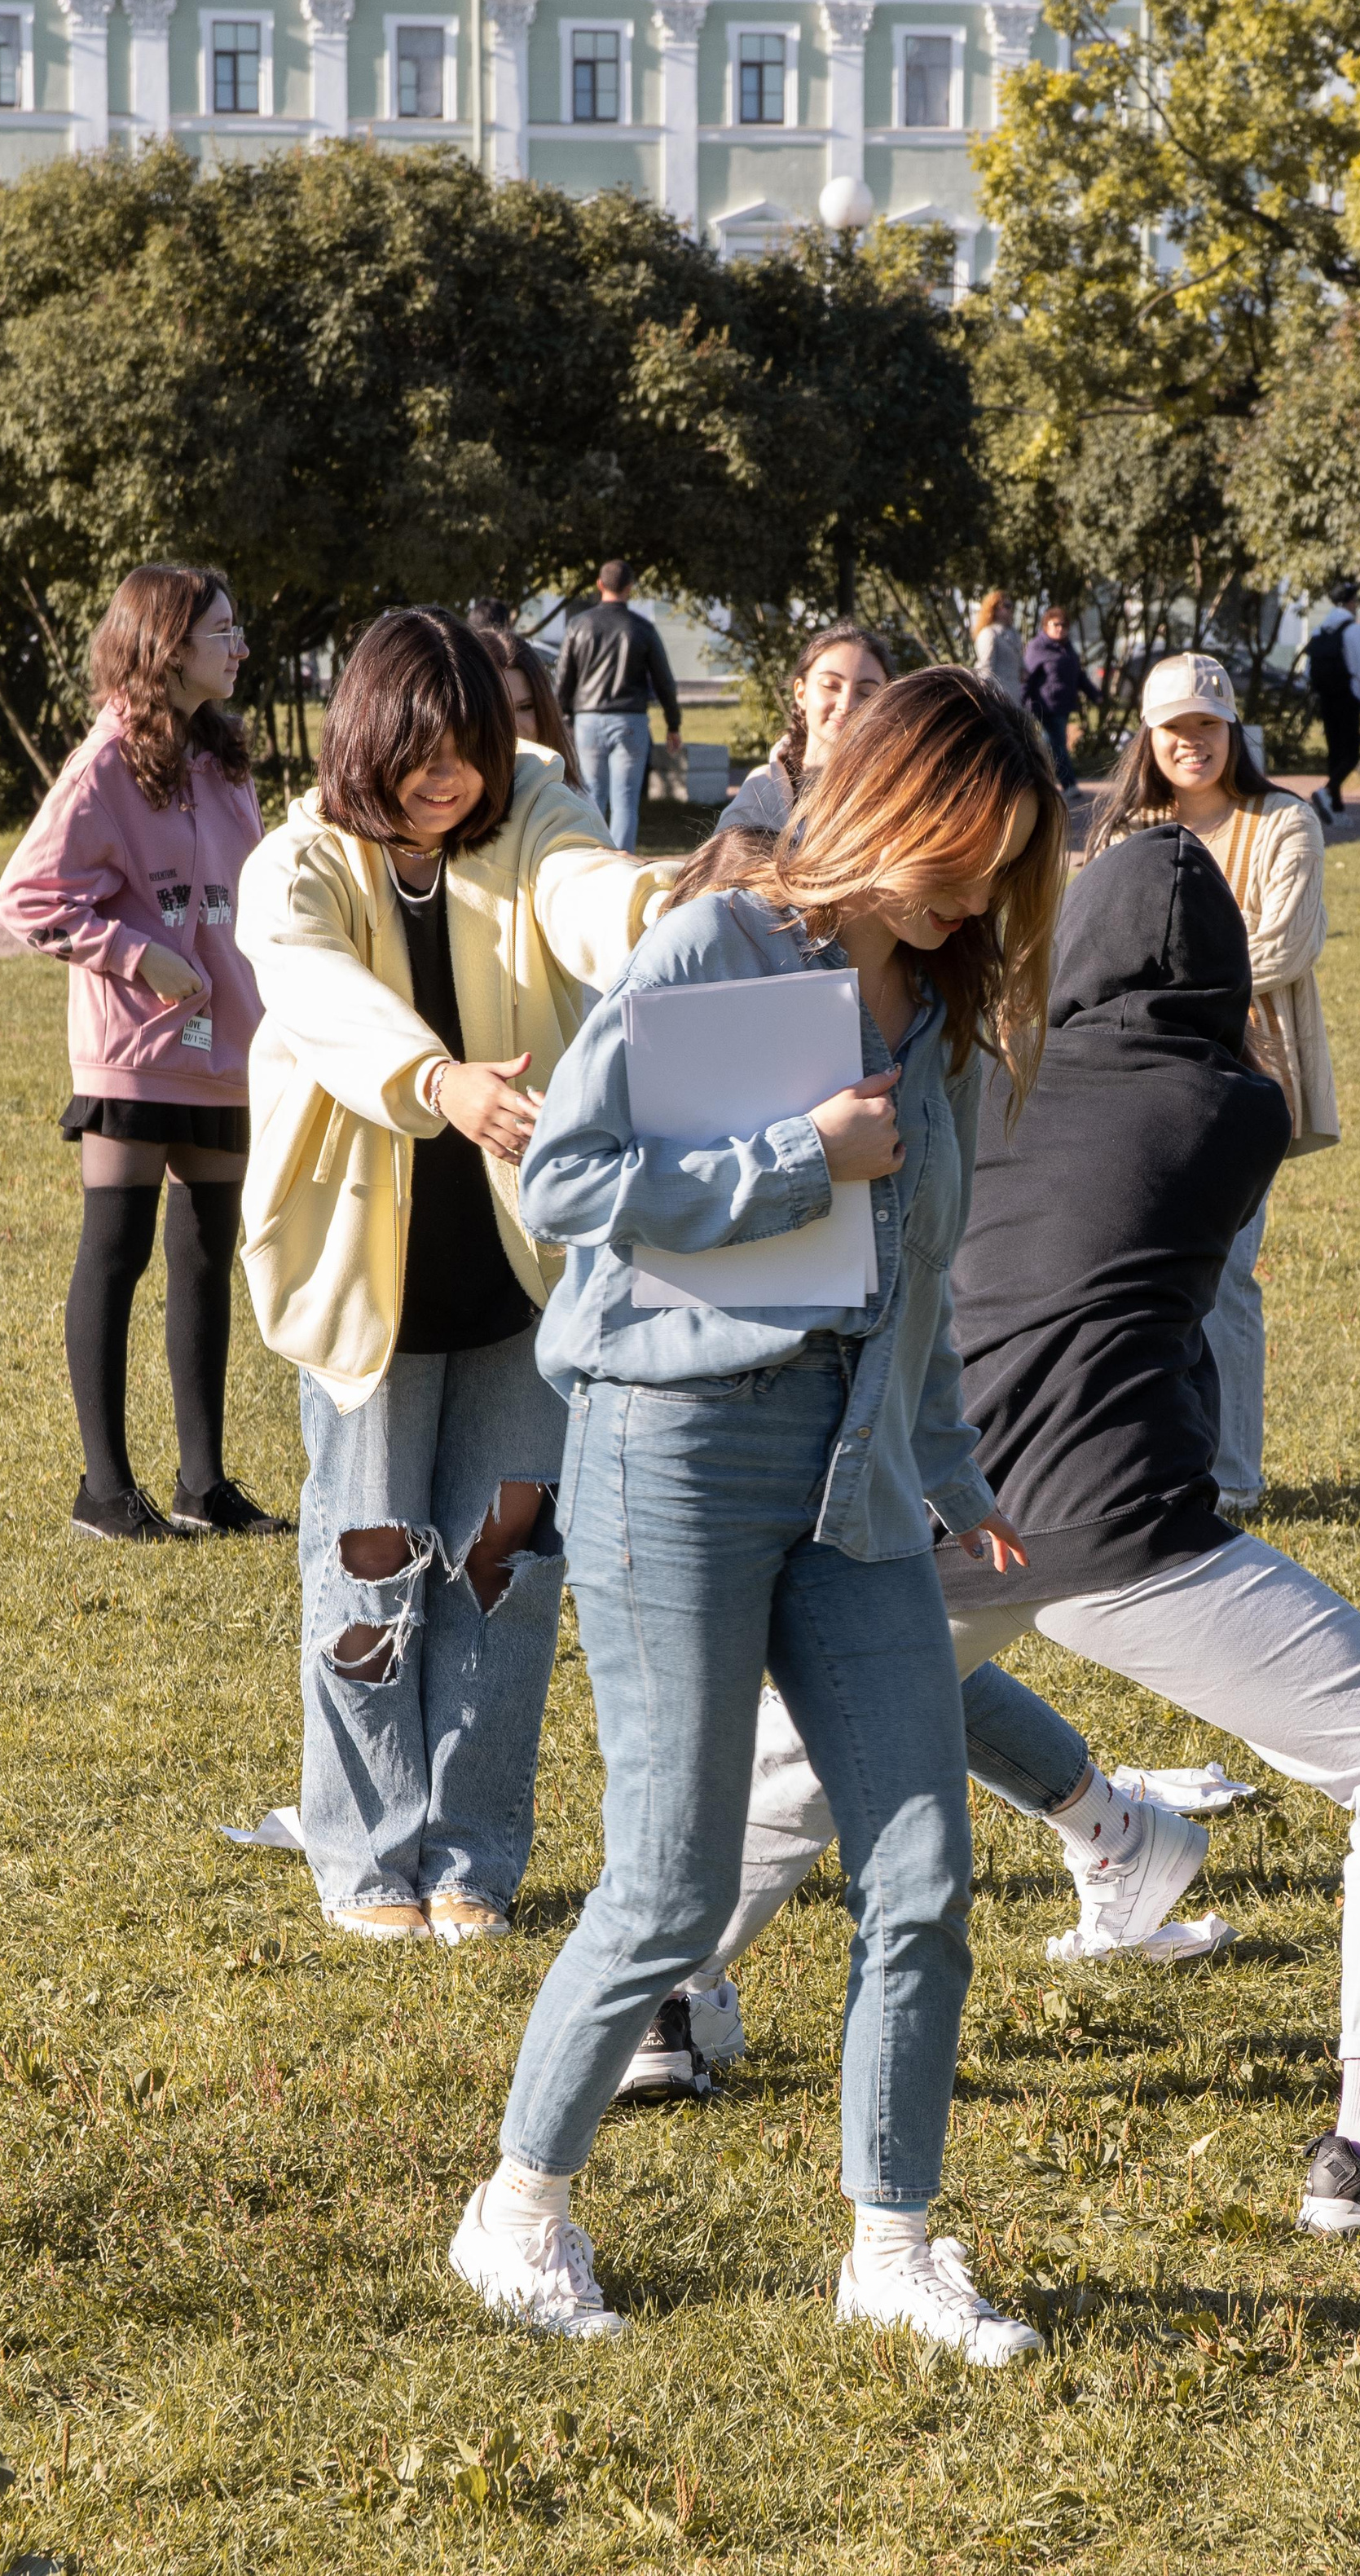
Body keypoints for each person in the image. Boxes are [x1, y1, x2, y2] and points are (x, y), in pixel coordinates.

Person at [667, 828, 1360, 2245]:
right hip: (1109, 1518)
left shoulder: (983, 1068)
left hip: (934, 1490)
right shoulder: (1238, 1104)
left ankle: (668, 1995)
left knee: (807, 1759)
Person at [448, 667, 1067, 2361]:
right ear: (877, 801)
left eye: (1003, 860)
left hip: (855, 1477)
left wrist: (948, 1466)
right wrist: (796, 1156)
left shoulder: (933, 1007)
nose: (971, 888)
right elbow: (570, 1182)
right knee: (664, 1886)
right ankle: (515, 2212)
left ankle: (893, 2244)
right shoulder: (711, 948)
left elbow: (921, 1267)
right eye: (960, 845)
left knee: (926, 1874)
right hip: (675, 1452)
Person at [235, 608, 672, 1947]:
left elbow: (591, 890)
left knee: (503, 1563)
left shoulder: (534, 805)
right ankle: (366, 1853)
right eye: (422, 752)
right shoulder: (297, 857)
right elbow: (306, 980)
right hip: (364, 1283)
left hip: (519, 1282)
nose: (450, 778)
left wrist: (685, 901)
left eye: (470, 750)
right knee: (370, 1562)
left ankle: (471, 1853)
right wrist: (438, 1079)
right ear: (366, 736)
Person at [0, 564, 284, 1543]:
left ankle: (203, 1485)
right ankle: (105, 1491)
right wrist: (137, 954)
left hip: (227, 1044)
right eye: (223, 630)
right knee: (114, 1254)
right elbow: (27, 898)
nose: (239, 645)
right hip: (134, 1049)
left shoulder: (224, 752)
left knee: (206, 1258)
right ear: (167, 647)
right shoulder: (105, 761)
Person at [1089, 652, 1337, 1513]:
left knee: (1225, 1273)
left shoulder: (1283, 823)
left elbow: (1287, 944)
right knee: (1148, 1278)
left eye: (1206, 724)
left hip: (1244, 1083)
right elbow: (1091, 948)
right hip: (1138, 1083)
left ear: (1232, 730)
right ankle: (1159, 1460)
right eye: (1173, 727)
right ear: (1147, 737)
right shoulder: (1123, 834)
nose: (1190, 741)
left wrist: (1165, 978)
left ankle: (1232, 1474)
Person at [552, 560, 683, 852]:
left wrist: (561, 718)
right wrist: (673, 724)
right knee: (625, 800)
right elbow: (664, 682)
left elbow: (563, 680)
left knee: (591, 795)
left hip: (587, 720)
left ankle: (589, 856)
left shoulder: (578, 625)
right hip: (630, 720)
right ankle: (622, 862)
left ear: (600, 585)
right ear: (630, 588)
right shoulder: (643, 629)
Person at [715, 623, 892, 836]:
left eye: (865, 693)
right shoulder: (761, 792)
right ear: (801, 693)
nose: (846, 705)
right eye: (830, 685)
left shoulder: (897, 797)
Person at [472, 622, 584, 791]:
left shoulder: (573, 803)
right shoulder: (440, 800)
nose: (513, 726)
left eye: (525, 707)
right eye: (498, 712)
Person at [1305, 585, 1360, 828]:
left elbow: (1308, 669)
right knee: (1351, 754)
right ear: (1352, 602)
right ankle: (1327, 791)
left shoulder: (1322, 628)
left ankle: (1337, 808)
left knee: (1335, 753)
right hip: (1348, 695)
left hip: (1326, 696)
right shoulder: (1354, 630)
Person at [1023, 607, 1100, 792]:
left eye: (1064, 625)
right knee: (1056, 744)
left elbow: (1078, 676)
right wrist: (1021, 702)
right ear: (1046, 625)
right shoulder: (1038, 647)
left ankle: (1038, 780)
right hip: (1045, 705)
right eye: (1055, 624)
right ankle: (1069, 784)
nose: (1060, 629)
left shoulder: (1067, 648)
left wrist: (1094, 693)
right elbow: (1027, 677)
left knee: (1049, 744)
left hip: (1062, 706)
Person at [971, 589, 1024, 705]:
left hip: (1014, 695)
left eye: (1011, 605)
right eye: (1006, 605)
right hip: (997, 697)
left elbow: (1021, 666)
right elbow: (986, 668)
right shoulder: (989, 633)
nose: (1010, 609)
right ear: (994, 608)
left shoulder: (1014, 634)